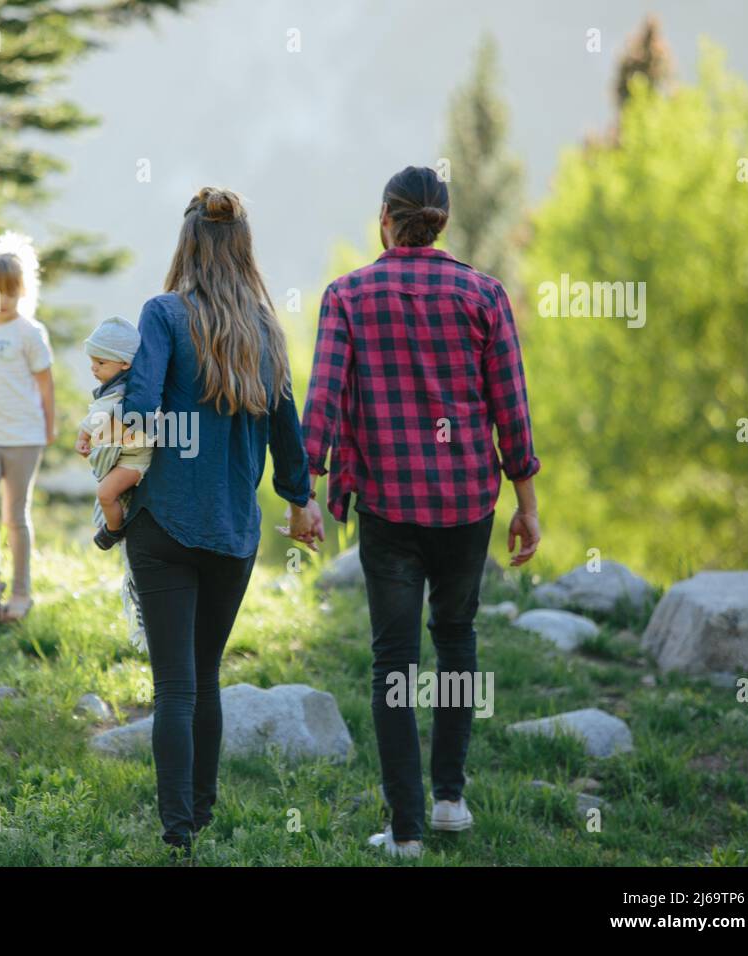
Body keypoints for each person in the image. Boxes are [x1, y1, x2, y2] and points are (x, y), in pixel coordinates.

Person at [301, 166, 542, 858]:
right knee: (458, 639)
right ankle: (449, 801)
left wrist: (307, 492)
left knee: (394, 661)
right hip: (468, 503)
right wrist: (525, 503)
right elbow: (511, 410)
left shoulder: (347, 296)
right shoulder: (484, 295)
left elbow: (324, 400)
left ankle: (404, 830)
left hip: (388, 507)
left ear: (386, 218)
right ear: (442, 220)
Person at [102, 186, 324, 855]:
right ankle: (201, 812)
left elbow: (140, 411)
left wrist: (114, 475)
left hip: (163, 524)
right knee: (205, 674)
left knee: (173, 682)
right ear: (243, 248)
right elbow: (287, 433)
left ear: (187, 244)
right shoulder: (265, 327)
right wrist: (301, 500)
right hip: (233, 534)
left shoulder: (164, 315)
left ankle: (177, 836)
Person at [0, 232, 55, 624]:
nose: (2, 301)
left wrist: (49, 428)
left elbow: (45, 384)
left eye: (10, 293)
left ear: (23, 291)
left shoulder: (30, 333)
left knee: (14, 517)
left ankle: (21, 592)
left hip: (23, 438)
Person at [74, 316, 153, 550]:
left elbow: (99, 416)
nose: (93, 368)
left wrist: (83, 436)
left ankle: (114, 530)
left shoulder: (121, 391)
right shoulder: (117, 385)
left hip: (135, 460)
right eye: (92, 361)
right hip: (126, 456)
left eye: (101, 362)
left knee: (106, 493)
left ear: (125, 363)